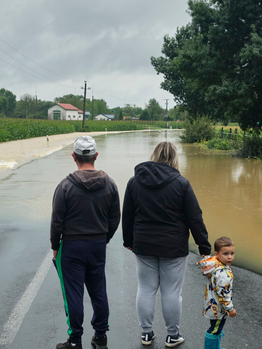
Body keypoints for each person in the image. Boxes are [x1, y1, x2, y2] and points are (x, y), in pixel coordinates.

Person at [122, 141, 211, 347]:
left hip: (143, 245)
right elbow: (194, 218)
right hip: (174, 246)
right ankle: (172, 335)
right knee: (171, 292)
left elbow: (127, 215)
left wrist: (129, 241)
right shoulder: (181, 183)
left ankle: (146, 334)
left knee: (145, 289)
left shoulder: (135, 182)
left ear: (153, 156)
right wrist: (204, 249)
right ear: (174, 158)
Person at [51, 136, 121, 349]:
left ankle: (75, 341)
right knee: (98, 290)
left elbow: (56, 222)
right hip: (97, 245)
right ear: (96, 155)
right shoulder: (109, 184)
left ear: (74, 157)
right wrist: (104, 239)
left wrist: (56, 248)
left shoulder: (65, 186)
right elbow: (114, 218)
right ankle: (100, 336)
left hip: (71, 246)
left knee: (74, 294)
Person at [198, 237, 237, 349]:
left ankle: (215, 346)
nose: (229, 257)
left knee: (216, 328)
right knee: (215, 330)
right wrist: (230, 308)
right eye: (225, 254)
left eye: (232, 253)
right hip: (218, 308)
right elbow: (223, 294)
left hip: (212, 304)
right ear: (217, 254)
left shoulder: (214, 266)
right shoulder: (222, 273)